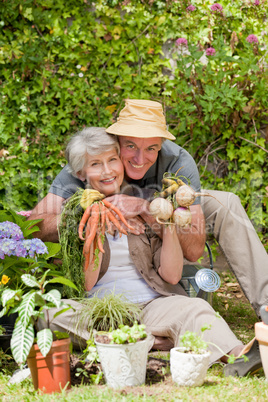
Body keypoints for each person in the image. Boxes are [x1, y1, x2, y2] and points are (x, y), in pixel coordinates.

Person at [38, 127, 261, 377]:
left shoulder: (149, 200)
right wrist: (96, 225)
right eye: (96, 165)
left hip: (152, 304)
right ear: (80, 173)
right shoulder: (75, 212)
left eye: (112, 160)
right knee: (50, 315)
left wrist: (160, 221)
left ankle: (240, 355)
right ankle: (150, 341)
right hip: (100, 311)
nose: (108, 170)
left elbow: (173, 275)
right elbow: (87, 284)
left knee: (195, 309)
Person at [30, 99, 268, 317]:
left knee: (226, 202)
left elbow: (194, 251)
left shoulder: (177, 162)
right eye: (131, 146)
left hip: (167, 213)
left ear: (161, 145)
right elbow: (35, 225)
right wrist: (91, 212)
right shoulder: (96, 159)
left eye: (151, 148)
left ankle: (266, 303)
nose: (140, 158)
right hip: (109, 230)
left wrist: (145, 208)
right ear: (116, 142)